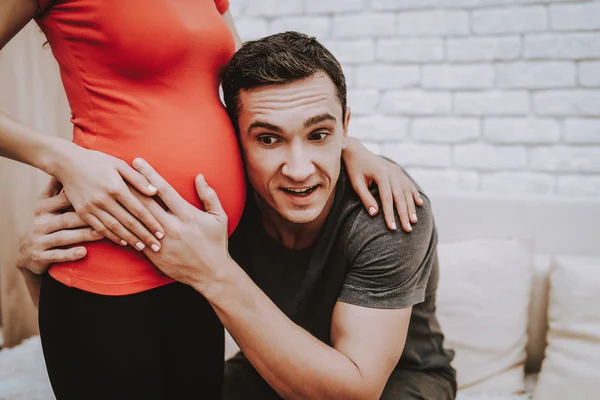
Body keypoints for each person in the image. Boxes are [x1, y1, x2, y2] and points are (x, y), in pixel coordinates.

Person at [3, 1, 422, 399]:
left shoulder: (381, 209)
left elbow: (256, 94)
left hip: (195, 277)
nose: (298, 169)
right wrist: (63, 160)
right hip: (137, 262)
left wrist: (350, 148)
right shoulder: (260, 205)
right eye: (271, 141)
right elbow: (261, 105)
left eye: (321, 134)